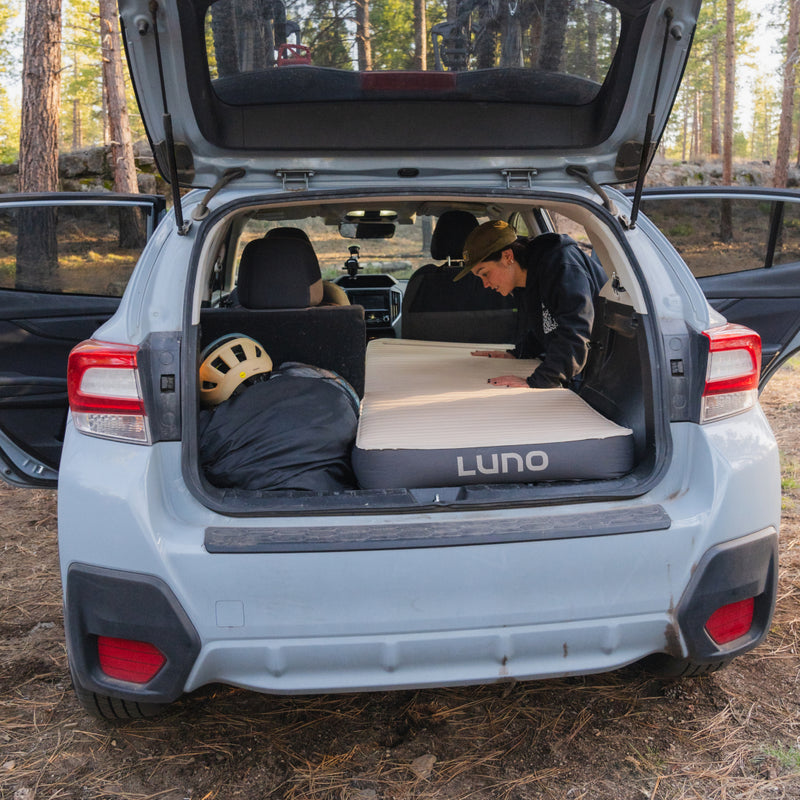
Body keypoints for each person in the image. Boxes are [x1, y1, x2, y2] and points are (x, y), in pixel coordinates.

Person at [454, 219, 607, 389]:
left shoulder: (561, 266)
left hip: (605, 375)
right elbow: (545, 326)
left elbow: (576, 331)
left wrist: (539, 380)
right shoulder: (525, 282)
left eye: (485, 273)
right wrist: (518, 354)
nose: (485, 284)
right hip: (584, 371)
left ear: (507, 256)